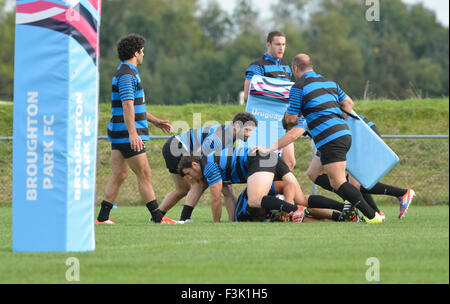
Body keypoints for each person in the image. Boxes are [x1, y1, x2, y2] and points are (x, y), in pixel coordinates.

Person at [284, 53, 383, 224]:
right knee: (315, 173)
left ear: (295, 68)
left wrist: (289, 118)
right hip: (344, 134)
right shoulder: (329, 83)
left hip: (329, 137)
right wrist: (337, 117)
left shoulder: (298, 86)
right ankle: (355, 203)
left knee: (339, 182)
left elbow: (292, 119)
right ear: (311, 66)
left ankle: (372, 216)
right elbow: (349, 103)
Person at [96, 33, 176, 225]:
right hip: (126, 134)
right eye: (142, 52)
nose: (143, 55)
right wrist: (133, 133)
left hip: (120, 132)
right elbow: (127, 105)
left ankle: (102, 218)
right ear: (135, 52)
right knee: (145, 173)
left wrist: (155, 121)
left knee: (119, 174)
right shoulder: (126, 74)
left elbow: (136, 106)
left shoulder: (127, 71)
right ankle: (158, 217)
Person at [178, 146, 348, 223]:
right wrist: (230, 223)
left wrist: (216, 225)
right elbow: (226, 195)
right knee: (301, 198)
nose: (191, 179)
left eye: (188, 174)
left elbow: (215, 198)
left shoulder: (208, 166)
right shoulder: (213, 161)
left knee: (254, 200)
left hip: (259, 159)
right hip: (269, 156)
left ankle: (293, 210)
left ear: (194, 165)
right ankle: (345, 209)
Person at [308, 115, 415, 220]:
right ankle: (361, 204)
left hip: (356, 132)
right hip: (328, 136)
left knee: (355, 184)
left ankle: (401, 194)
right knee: (314, 173)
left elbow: (347, 104)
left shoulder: (305, 106)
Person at [158, 112, 258, 222]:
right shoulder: (222, 137)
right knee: (201, 181)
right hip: (177, 146)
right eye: (248, 130)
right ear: (237, 127)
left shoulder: (228, 135)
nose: (250, 134)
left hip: (174, 145)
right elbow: (198, 155)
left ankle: (157, 216)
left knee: (183, 189)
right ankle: (184, 219)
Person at [244, 30, 296, 171]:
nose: (281, 48)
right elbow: (248, 95)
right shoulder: (257, 65)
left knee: (289, 162)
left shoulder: (286, 66)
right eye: (277, 44)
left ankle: (280, 192)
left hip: (283, 122)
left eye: (284, 44)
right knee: (266, 163)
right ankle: (268, 190)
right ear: (268, 44)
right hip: (264, 121)